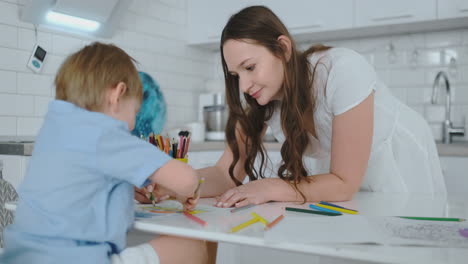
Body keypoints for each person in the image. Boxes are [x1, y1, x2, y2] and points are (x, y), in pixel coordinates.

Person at [137, 5, 445, 209]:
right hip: (340, 188)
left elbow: (344, 182)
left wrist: (271, 187)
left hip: (396, 167)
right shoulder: (262, 101)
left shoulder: (341, 70)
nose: (243, 85)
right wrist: (175, 184)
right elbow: (224, 172)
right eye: (235, 75)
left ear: (283, 49)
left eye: (250, 67)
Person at [1, 42, 208, 264]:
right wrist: (189, 189)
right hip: (72, 259)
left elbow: (84, 188)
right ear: (117, 95)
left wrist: (133, 186)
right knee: (192, 245)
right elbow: (187, 180)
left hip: (20, 256)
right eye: (134, 112)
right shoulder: (106, 134)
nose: (131, 125)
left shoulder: (54, 130)